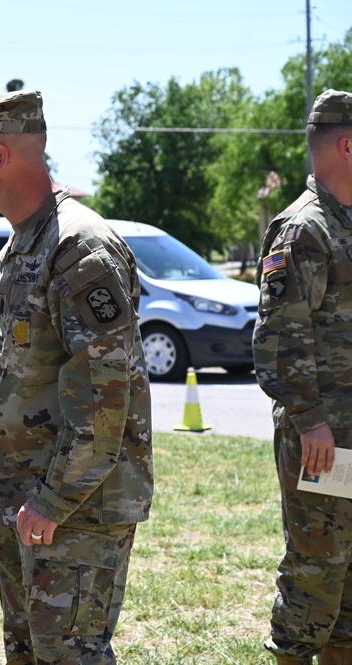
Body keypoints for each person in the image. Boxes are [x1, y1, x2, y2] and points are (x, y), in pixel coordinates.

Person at [0, 90, 153, 664]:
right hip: (30, 500)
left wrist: (52, 499)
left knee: (70, 655)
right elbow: (26, 385)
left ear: (1, 156)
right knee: (29, 652)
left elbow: (106, 401)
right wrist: (5, 486)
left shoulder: (79, 249)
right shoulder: (17, 250)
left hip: (76, 507)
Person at [253, 88, 352, 665]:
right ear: (346, 143)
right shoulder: (304, 230)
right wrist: (311, 422)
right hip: (325, 440)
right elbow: (278, 339)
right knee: (318, 569)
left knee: (349, 573)